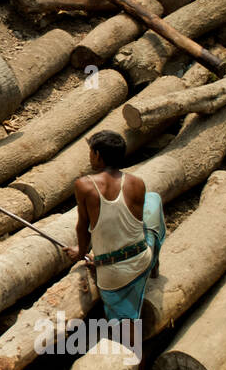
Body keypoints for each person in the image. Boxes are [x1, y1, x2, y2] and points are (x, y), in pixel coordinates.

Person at [66, 130, 166, 329]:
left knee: (125, 328)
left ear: (97, 156)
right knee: (153, 201)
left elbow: (83, 227)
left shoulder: (84, 186)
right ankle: (153, 264)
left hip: (113, 276)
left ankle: (127, 353)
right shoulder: (137, 183)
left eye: (91, 152)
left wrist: (81, 253)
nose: (89, 156)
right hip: (141, 259)